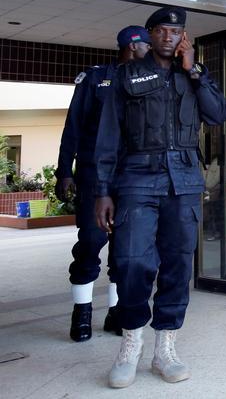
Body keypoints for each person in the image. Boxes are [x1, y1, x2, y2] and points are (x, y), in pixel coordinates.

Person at [93, 6, 226, 388]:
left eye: (176, 31)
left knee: (178, 264)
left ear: (184, 37)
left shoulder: (194, 75)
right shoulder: (126, 76)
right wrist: (102, 191)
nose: (169, 36)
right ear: (150, 34)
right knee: (131, 261)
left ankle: (164, 347)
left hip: (183, 180)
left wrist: (195, 70)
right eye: (162, 30)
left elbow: (218, 115)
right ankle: (131, 343)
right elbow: (108, 137)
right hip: (136, 177)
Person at [55, 26, 151, 342]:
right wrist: (63, 172)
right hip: (95, 176)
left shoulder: (144, 81)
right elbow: (73, 126)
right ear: (132, 46)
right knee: (92, 242)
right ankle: (81, 312)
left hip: (131, 177)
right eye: (147, 45)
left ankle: (115, 313)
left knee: (124, 250)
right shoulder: (96, 78)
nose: (151, 50)